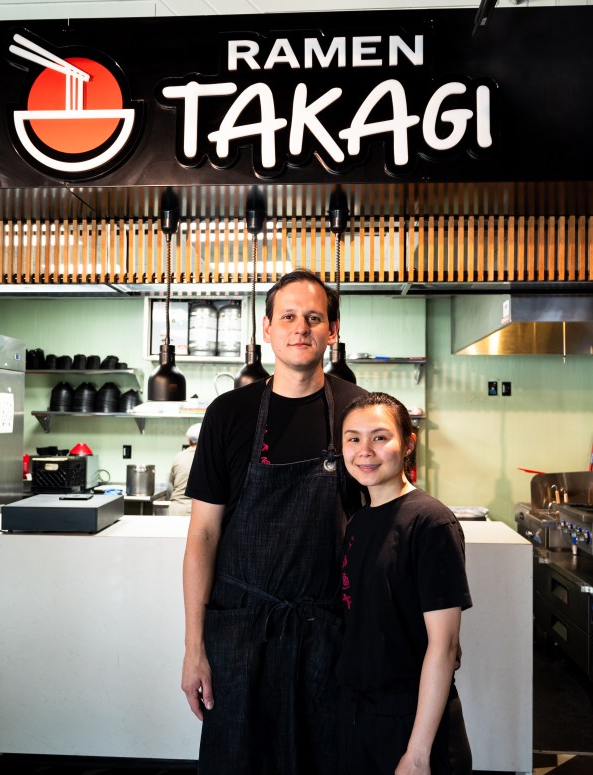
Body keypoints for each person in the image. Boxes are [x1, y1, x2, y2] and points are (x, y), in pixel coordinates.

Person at [182, 269, 366, 775]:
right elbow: (203, 535)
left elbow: (380, 526)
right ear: (267, 328)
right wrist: (194, 648)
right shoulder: (228, 414)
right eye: (288, 317)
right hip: (240, 632)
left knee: (326, 762)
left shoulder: (359, 412)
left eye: (314, 318)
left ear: (332, 329)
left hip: (329, 631)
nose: (300, 328)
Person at [338, 392, 473, 775]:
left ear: (409, 444)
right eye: (353, 438)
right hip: (362, 720)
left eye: (380, 437)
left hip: (415, 727)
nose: (365, 451)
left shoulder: (430, 522)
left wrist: (416, 755)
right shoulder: (359, 520)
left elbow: (444, 647)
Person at [167, 423, 202, 516]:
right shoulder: (209, 458)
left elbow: (172, 482)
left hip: (178, 509)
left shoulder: (178, 457)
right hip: (199, 510)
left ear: (188, 440)